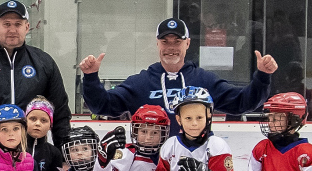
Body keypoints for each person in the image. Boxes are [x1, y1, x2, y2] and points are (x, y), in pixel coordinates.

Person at [78, 17, 277, 118]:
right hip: (149, 170)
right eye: (165, 42)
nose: (171, 48)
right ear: (157, 44)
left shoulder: (204, 81)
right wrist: (91, 77)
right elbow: (102, 105)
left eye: (177, 42)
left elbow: (244, 103)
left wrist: (262, 76)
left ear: (187, 44)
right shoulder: (140, 82)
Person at [0, 0, 75, 141]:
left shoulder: (44, 62)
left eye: (18, 24)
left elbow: (60, 112)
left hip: (31, 150)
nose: (12, 30)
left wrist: (64, 154)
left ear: (27, 27)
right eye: (7, 24)